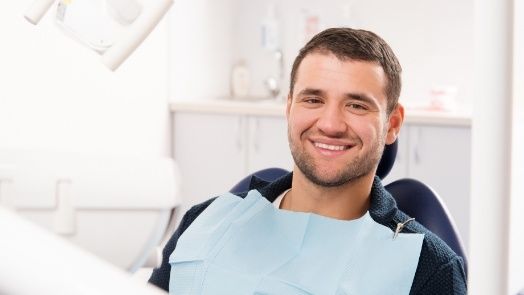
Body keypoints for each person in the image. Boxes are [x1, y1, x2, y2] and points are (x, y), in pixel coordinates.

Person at [149, 27, 467, 294]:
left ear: (393, 124)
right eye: (313, 99)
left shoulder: (430, 269)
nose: (330, 124)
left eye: (356, 105)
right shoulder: (204, 221)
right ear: (289, 108)